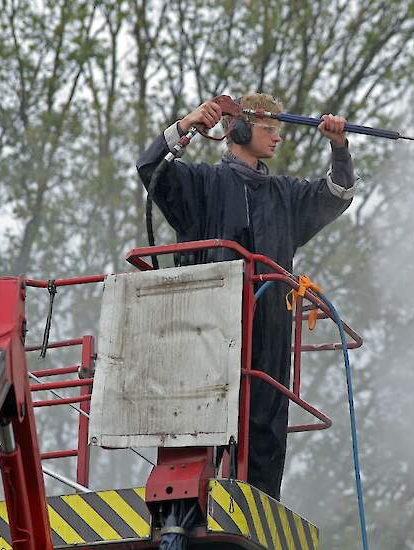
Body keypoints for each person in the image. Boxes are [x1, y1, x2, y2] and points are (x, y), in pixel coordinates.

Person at [136, 93, 358, 499]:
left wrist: (339, 147)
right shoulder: (201, 185)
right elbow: (152, 168)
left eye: (278, 129)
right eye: (267, 128)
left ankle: (258, 503)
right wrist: (186, 125)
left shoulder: (284, 196)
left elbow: (335, 195)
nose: (277, 138)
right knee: (197, 428)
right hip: (207, 328)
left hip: (269, 334)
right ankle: (188, 501)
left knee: (266, 431)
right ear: (238, 129)